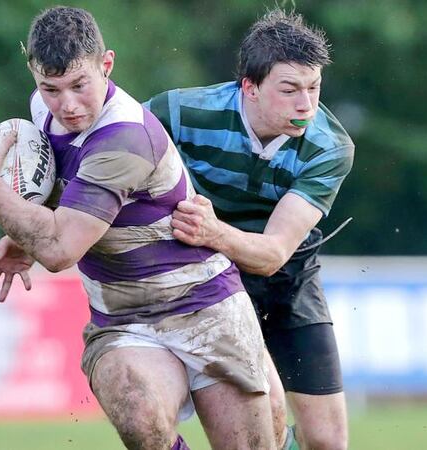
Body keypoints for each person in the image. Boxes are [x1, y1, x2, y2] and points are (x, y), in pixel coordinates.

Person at [0, 6, 277, 450]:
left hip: (205, 307)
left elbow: (60, 249)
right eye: (50, 88)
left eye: (79, 85)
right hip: (122, 319)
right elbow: (58, 188)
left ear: (106, 65)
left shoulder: (124, 137)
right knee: (140, 420)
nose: (67, 105)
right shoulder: (43, 112)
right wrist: (20, 239)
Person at [144, 9, 354, 450]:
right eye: (290, 89)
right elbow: (106, 157)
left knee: (328, 442)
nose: (307, 106)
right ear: (250, 87)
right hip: (207, 282)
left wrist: (212, 230)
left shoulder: (329, 147)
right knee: (255, 432)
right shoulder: (180, 112)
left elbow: (274, 252)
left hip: (286, 281)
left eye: (314, 88)